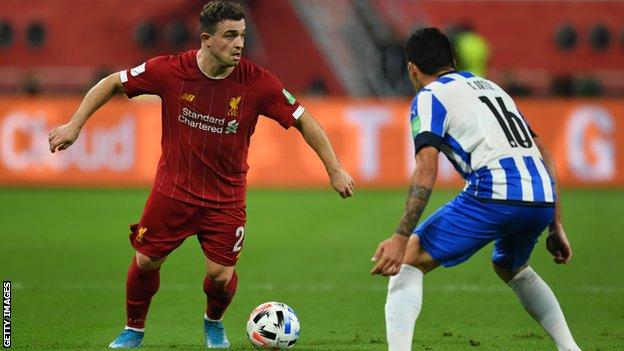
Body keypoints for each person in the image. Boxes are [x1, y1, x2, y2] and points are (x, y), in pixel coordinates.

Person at [48, 1, 355, 349]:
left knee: (221, 277)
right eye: (230, 36)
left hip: (226, 198)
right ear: (207, 39)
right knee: (146, 259)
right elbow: (113, 82)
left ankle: (214, 322)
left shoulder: (258, 82)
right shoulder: (170, 70)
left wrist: (335, 169)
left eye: (242, 35)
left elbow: (304, 119)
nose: (239, 43)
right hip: (173, 191)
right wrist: (75, 125)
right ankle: (133, 330)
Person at [371, 28, 581, 351]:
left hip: (496, 190)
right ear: (453, 60)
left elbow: (427, 169)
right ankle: (571, 348)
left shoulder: (428, 97)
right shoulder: (493, 89)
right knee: (511, 266)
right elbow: (545, 154)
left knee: (410, 257)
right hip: (540, 195)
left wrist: (400, 236)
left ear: (412, 69)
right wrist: (556, 223)